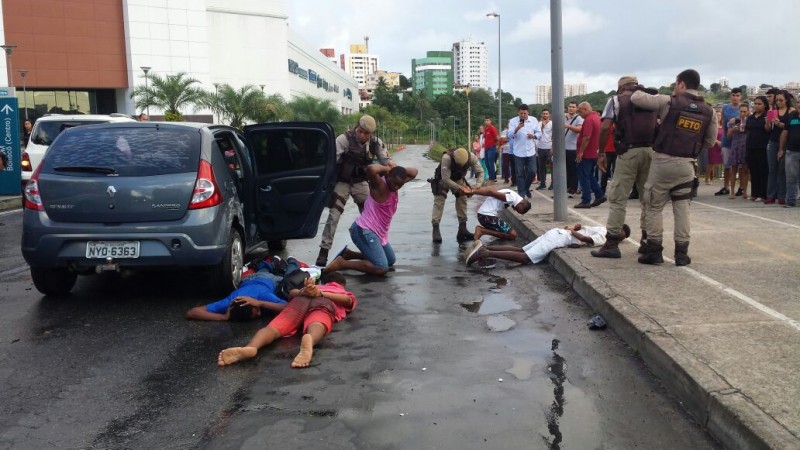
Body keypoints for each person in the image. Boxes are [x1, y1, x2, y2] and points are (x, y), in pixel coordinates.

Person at [631, 69, 717, 266]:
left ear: (681, 84)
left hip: (662, 162)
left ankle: (654, 250)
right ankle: (681, 253)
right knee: (682, 209)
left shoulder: (669, 101)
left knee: (653, 206)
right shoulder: (709, 111)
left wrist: (641, 88)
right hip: (687, 164)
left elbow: (637, 98)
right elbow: (711, 141)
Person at [217, 272, 356, 368]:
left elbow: (291, 294)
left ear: (324, 282)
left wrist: (304, 291)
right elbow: (348, 301)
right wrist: (320, 294)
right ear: (341, 284)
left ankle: (251, 347)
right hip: (323, 303)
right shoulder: (338, 290)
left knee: (273, 328)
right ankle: (310, 339)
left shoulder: (314, 287)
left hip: (300, 301)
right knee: (318, 322)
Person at [592, 76, 657, 258]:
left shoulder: (616, 100)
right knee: (648, 198)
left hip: (628, 151)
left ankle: (612, 242)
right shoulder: (651, 98)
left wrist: (601, 153)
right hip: (650, 151)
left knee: (618, 197)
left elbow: (605, 127)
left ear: (621, 86)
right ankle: (647, 241)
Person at [316, 115, 393, 266]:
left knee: (371, 215)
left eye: (367, 133)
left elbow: (385, 159)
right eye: (361, 131)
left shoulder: (375, 143)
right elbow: (330, 161)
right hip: (342, 182)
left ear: (371, 133)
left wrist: (391, 166)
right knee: (334, 215)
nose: (363, 135)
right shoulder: (343, 139)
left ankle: (373, 248)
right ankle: (323, 252)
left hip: (360, 182)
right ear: (356, 128)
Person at [323, 163, 418, 275]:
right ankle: (341, 263)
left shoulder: (395, 181)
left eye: (400, 185)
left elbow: (414, 172)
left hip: (378, 233)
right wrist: (388, 168)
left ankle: (349, 254)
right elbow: (371, 168)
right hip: (364, 230)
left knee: (390, 260)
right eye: (394, 183)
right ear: (388, 177)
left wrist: (395, 169)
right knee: (381, 267)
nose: (396, 187)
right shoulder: (379, 185)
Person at [185, 256, 307, 321]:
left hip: (268, 279)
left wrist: (260, 303)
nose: (260, 313)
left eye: (257, 310)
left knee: (288, 279)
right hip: (249, 279)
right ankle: (268, 264)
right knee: (263, 270)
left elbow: (288, 307)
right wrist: (222, 317)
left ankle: (291, 261)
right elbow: (191, 312)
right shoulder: (229, 302)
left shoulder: (263, 297)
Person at [466, 223, 630, 266]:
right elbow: (587, 239)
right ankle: (485, 253)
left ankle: (486, 248)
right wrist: (574, 232)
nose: (620, 236)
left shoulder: (602, 228)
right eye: (622, 233)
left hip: (557, 233)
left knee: (521, 249)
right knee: (525, 258)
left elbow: (583, 231)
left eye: (623, 236)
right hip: (560, 238)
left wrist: (574, 229)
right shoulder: (605, 234)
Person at [429, 147, 484, 243]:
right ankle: (436, 228)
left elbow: (480, 172)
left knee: (462, 199)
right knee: (439, 200)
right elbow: (446, 179)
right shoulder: (446, 158)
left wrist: (477, 186)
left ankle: (462, 230)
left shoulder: (472, 157)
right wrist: (461, 188)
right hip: (443, 178)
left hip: (458, 178)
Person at [464, 185, 531, 241]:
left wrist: (473, 189)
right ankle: (482, 231)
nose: (515, 210)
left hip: (484, 216)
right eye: (518, 209)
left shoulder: (513, 195)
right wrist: (472, 191)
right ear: (522, 204)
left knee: (509, 233)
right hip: (487, 216)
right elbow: (491, 192)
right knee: (513, 235)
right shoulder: (512, 198)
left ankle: (482, 231)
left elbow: (493, 190)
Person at [765, 91, 795, 204]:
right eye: (776, 100)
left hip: (787, 142)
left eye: (781, 100)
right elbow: (767, 129)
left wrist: (779, 124)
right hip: (773, 141)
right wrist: (768, 122)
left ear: (786, 100)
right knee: (772, 169)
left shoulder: (791, 111)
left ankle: (782, 195)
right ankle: (770, 195)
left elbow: (791, 127)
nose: (778, 102)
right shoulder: (772, 111)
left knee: (783, 170)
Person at [575, 102, 606, 209]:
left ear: (585, 109)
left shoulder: (588, 120)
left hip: (587, 153)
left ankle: (586, 200)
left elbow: (586, 137)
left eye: (580, 111)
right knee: (590, 175)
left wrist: (581, 152)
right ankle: (599, 195)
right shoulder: (597, 118)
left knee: (583, 176)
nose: (579, 114)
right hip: (594, 152)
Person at [507, 104, 541, 199]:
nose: (523, 115)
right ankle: (521, 193)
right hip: (518, 151)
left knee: (532, 171)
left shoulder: (533, 120)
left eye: (524, 113)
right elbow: (509, 135)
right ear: (518, 112)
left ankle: (526, 188)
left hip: (531, 151)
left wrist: (533, 135)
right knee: (519, 173)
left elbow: (539, 133)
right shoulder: (513, 121)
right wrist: (517, 128)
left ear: (528, 112)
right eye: (521, 113)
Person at [716, 87, 744, 196]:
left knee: (740, 165)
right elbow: (723, 122)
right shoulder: (725, 107)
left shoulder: (744, 108)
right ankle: (726, 186)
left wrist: (736, 120)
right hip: (727, 139)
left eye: (737, 95)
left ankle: (741, 187)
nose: (735, 97)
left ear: (741, 96)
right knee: (727, 165)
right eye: (733, 95)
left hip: (740, 139)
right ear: (730, 96)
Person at [745, 96, 771, 202]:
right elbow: (747, 130)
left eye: (759, 104)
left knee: (763, 170)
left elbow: (768, 130)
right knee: (753, 170)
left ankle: (762, 194)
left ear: (765, 105)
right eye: (755, 103)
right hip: (750, 146)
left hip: (762, 146)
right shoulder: (750, 117)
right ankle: (754, 193)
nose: (757, 106)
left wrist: (767, 122)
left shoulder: (766, 116)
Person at [778, 104, 800, 207]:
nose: (799, 104)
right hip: (792, 151)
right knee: (791, 177)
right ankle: (791, 200)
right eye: (799, 102)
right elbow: (785, 132)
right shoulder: (792, 116)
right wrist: (781, 149)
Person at [727, 104, 750, 199]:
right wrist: (733, 129)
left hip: (745, 146)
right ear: (738, 111)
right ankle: (732, 191)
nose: (743, 113)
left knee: (745, 170)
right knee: (733, 170)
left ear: (748, 111)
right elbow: (728, 136)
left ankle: (745, 191)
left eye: (745, 111)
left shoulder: (750, 121)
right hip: (735, 146)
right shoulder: (733, 121)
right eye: (741, 111)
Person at [564, 102, 584, 197]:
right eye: (570, 106)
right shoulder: (562, 117)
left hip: (572, 148)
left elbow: (579, 129)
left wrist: (568, 126)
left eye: (573, 107)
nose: (571, 108)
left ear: (576, 109)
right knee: (563, 170)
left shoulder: (579, 118)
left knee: (572, 170)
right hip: (562, 148)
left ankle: (573, 189)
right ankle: (565, 188)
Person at [536, 108, 553, 190]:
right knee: (541, 167)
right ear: (541, 115)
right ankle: (542, 183)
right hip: (540, 147)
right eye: (543, 113)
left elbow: (554, 136)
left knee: (552, 166)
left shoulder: (552, 124)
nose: (545, 115)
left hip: (549, 147)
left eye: (546, 113)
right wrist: (541, 128)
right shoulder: (538, 124)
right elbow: (537, 136)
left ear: (549, 115)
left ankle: (553, 183)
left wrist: (553, 147)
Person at [706, 112, 724, 185]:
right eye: (717, 115)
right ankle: (707, 178)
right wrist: (717, 141)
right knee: (712, 163)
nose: (718, 116)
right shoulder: (712, 125)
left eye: (720, 115)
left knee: (725, 162)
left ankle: (727, 180)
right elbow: (709, 135)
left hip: (722, 145)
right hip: (713, 146)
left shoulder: (723, 126)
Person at [483, 117, 499, 184]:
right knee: (486, 163)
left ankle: (492, 178)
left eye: (488, 120)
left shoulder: (492, 128)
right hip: (486, 148)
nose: (486, 121)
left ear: (490, 121)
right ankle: (490, 177)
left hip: (491, 148)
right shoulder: (486, 129)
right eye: (485, 120)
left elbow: (496, 138)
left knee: (490, 163)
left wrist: (494, 144)